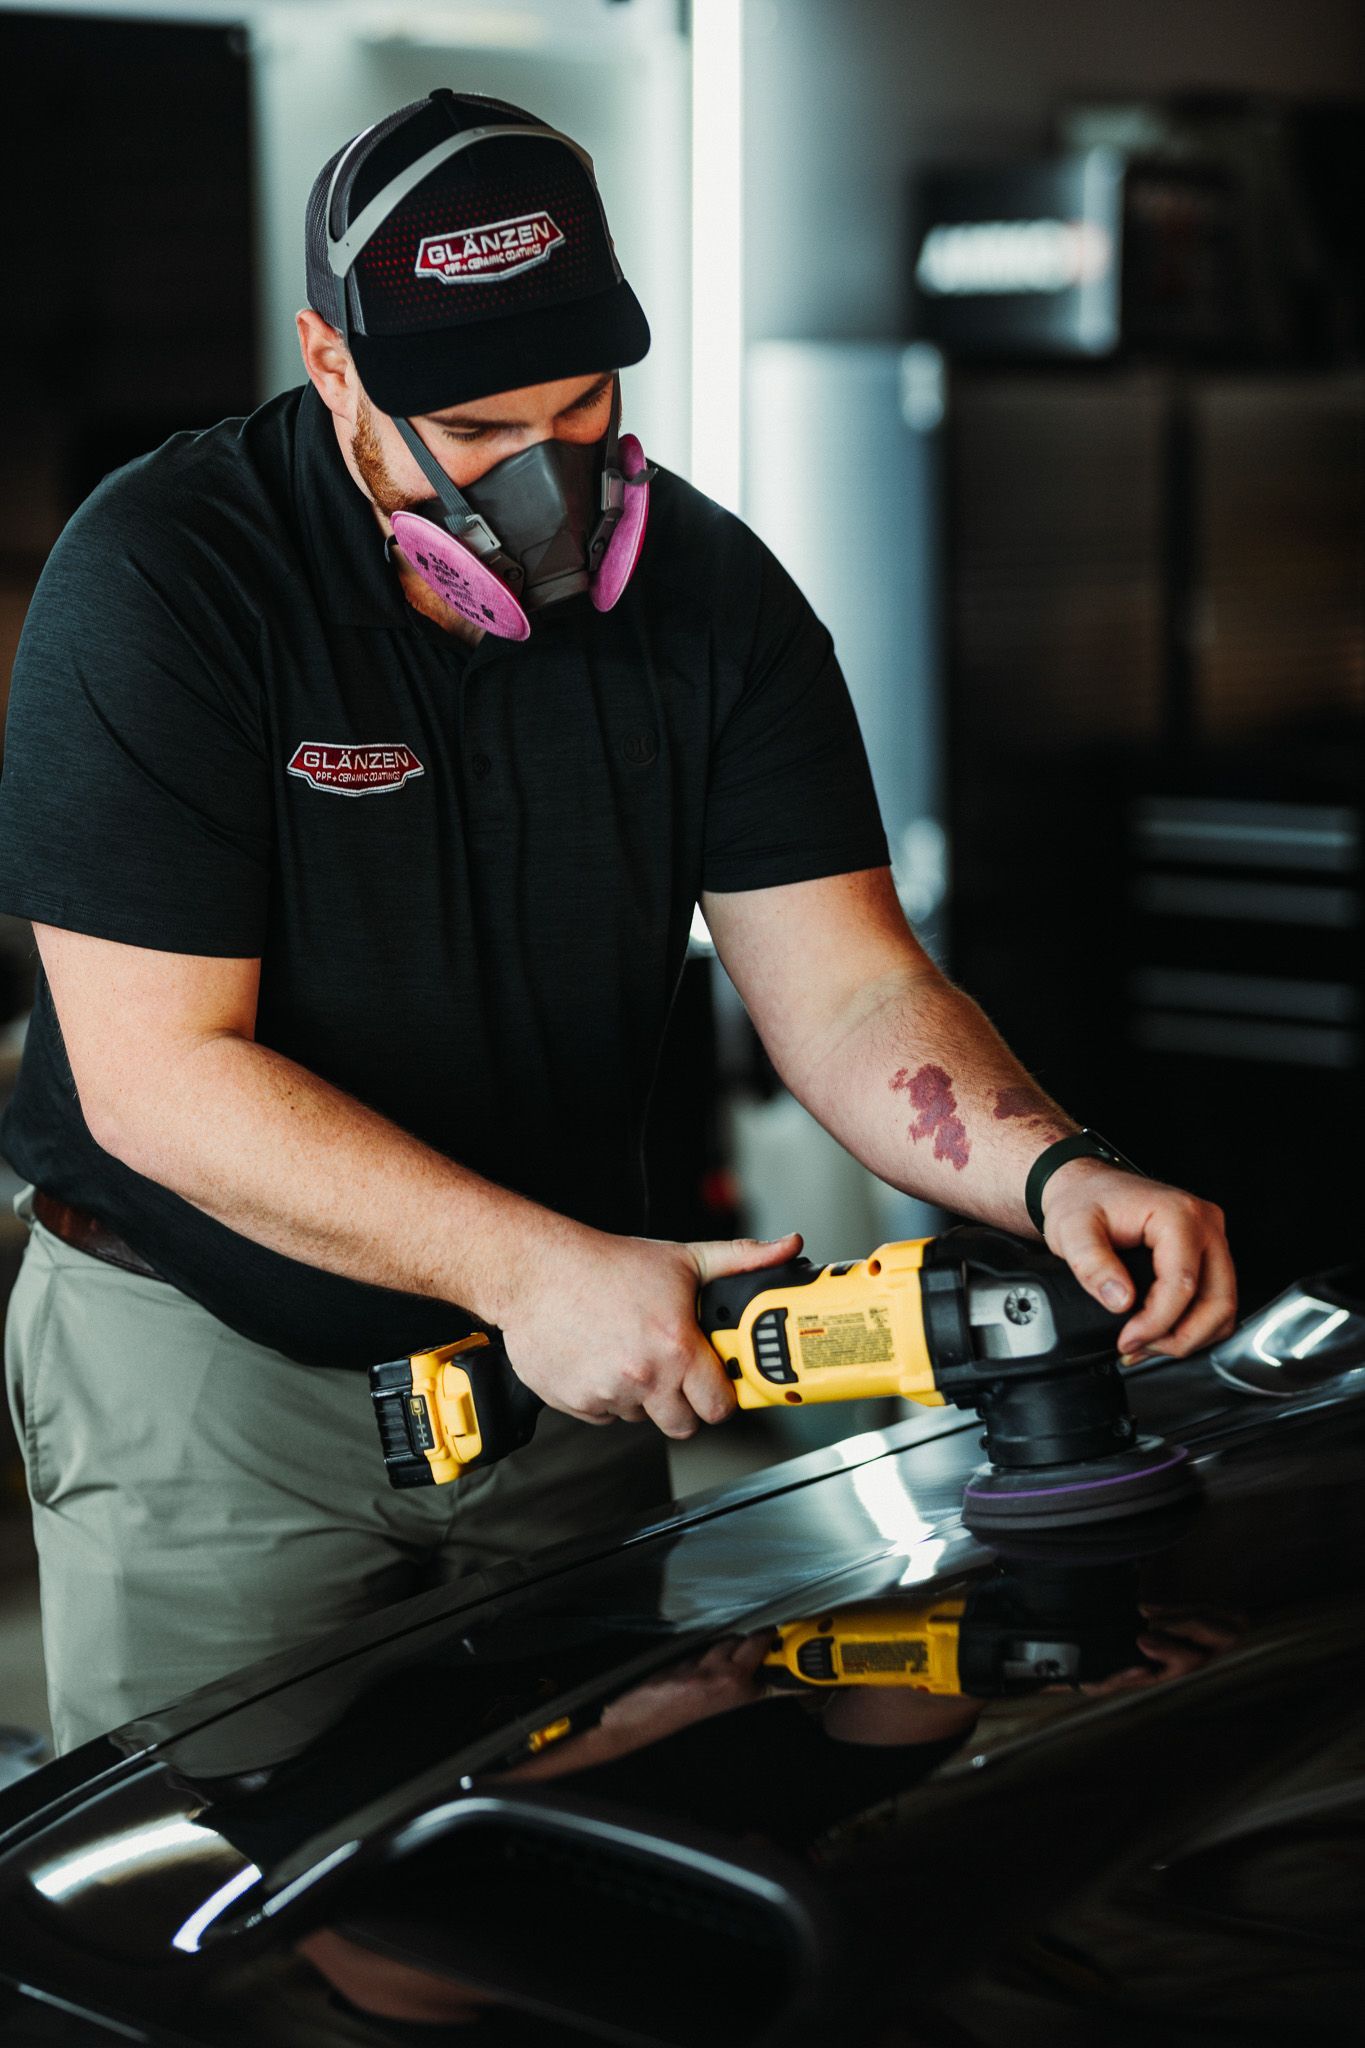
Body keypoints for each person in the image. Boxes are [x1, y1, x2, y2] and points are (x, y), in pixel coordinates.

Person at [0, 90, 1236, 1752]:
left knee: (573, 1873)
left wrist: (1051, 1169)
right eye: (484, 430)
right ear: (334, 362)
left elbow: (853, 991)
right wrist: (532, 1268)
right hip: (213, 1370)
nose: (547, 481)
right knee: (225, 1899)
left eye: (582, 407)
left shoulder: (712, 601)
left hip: (587, 1344)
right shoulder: (166, 579)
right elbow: (156, 1076)